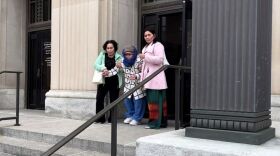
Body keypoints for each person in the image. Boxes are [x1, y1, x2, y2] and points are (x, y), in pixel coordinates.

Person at [139, 29, 168, 129]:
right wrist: (142, 79)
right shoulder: (145, 47)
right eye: (145, 35)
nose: (147, 37)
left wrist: (145, 57)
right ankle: (162, 123)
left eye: (149, 35)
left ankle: (154, 124)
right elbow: (144, 67)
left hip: (156, 78)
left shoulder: (158, 45)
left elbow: (160, 60)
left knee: (155, 103)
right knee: (156, 102)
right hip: (149, 79)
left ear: (154, 36)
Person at [115, 45, 146, 126]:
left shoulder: (140, 61)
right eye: (126, 54)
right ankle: (130, 115)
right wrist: (107, 72)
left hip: (138, 85)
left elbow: (145, 72)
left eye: (130, 54)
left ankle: (137, 118)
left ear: (134, 54)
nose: (128, 56)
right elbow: (115, 70)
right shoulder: (122, 61)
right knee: (127, 101)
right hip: (128, 85)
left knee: (138, 102)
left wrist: (136, 76)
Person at [93, 40, 123, 123]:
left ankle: (112, 119)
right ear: (105, 49)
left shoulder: (119, 57)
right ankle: (100, 118)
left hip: (114, 81)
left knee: (113, 100)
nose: (109, 50)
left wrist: (120, 67)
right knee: (99, 98)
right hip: (104, 81)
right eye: (108, 48)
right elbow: (95, 65)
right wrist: (103, 69)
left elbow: (121, 71)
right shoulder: (102, 55)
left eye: (111, 48)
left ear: (115, 48)